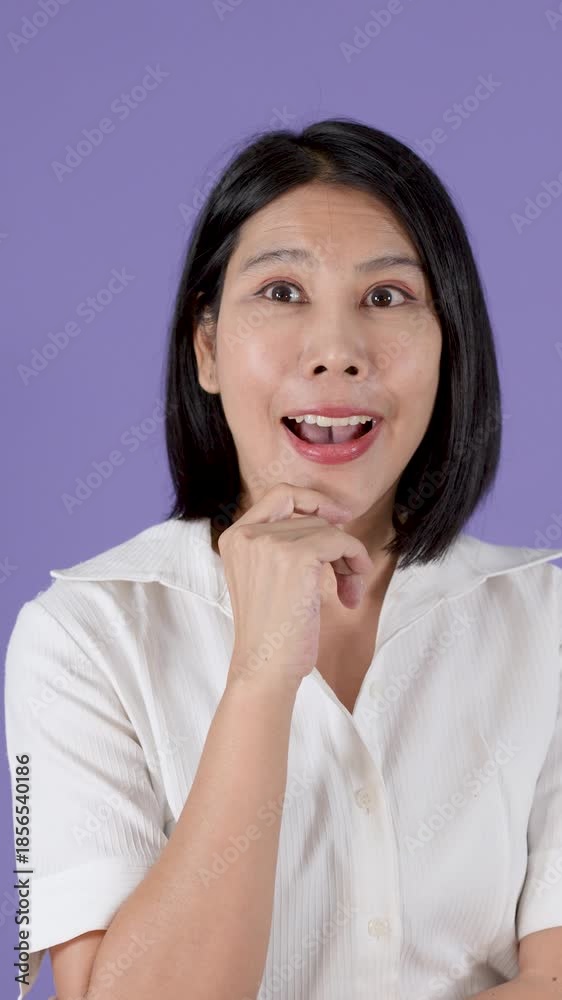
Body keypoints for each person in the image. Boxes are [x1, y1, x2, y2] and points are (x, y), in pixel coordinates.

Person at [5, 117, 562, 1000]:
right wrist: (259, 680)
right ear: (207, 347)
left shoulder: (546, 626)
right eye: (281, 291)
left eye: (387, 297)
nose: (337, 352)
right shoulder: (80, 638)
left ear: (448, 345)